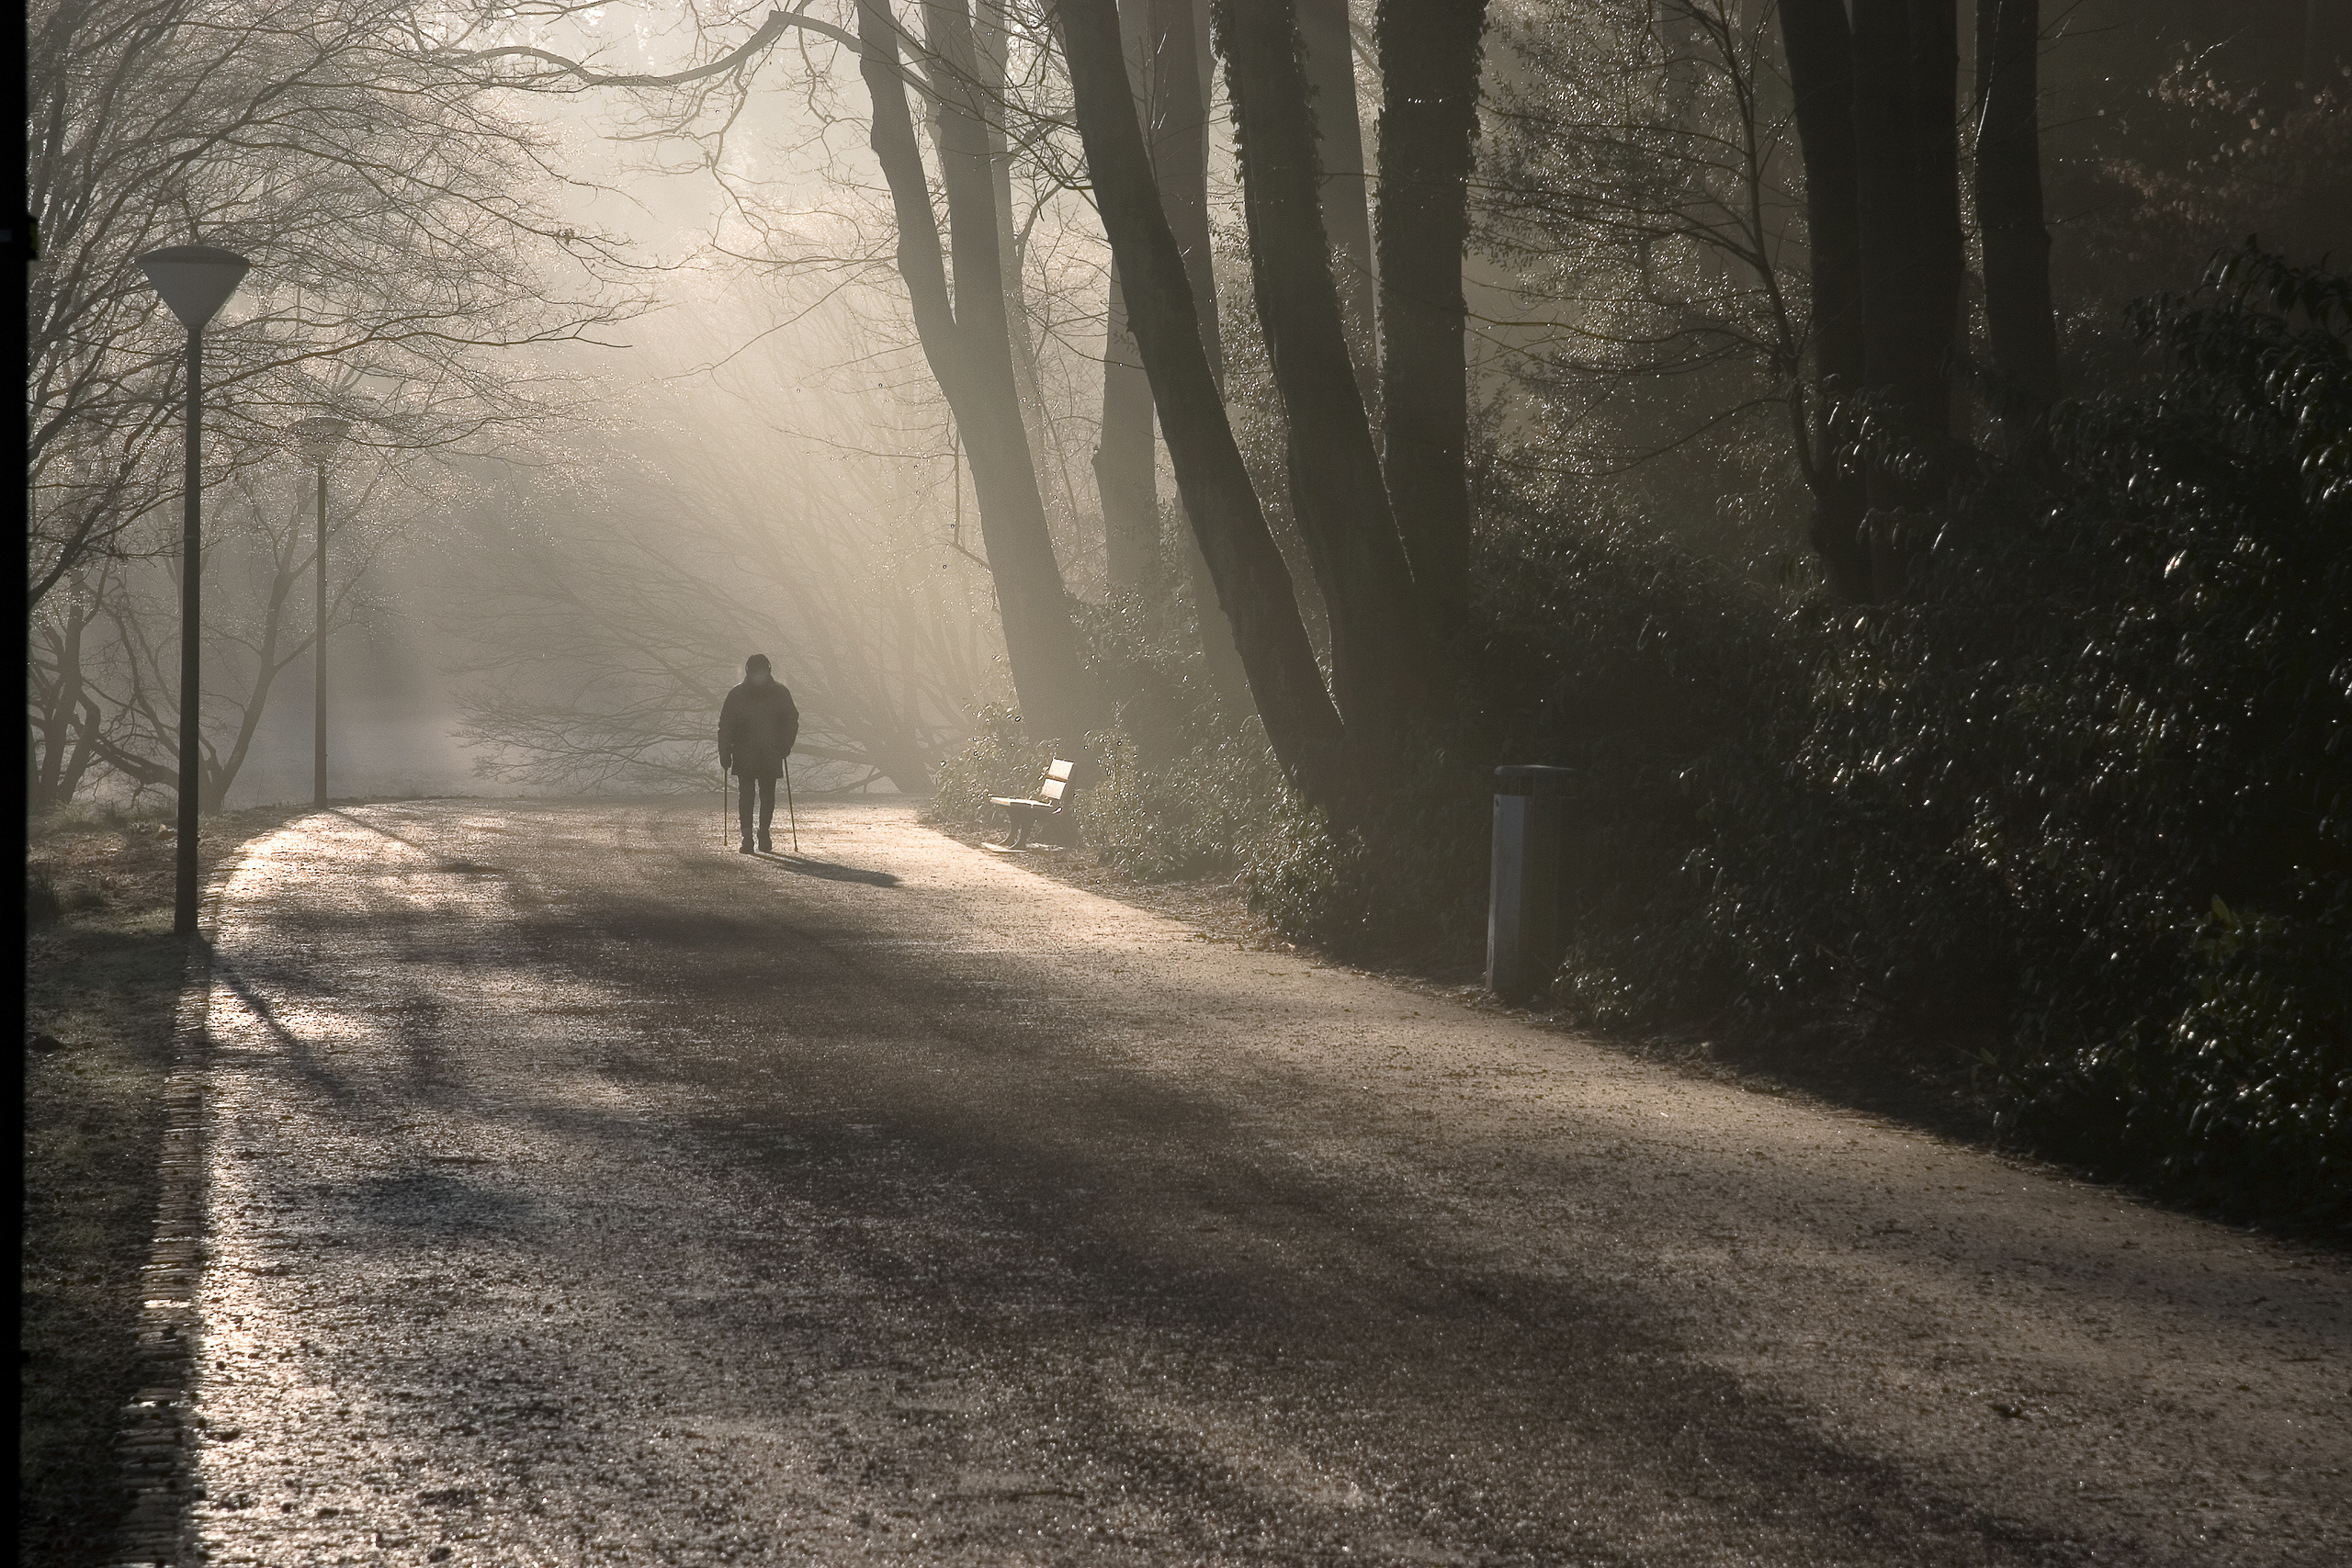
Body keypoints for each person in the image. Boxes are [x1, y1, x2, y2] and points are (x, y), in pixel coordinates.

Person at [717, 654, 799, 853]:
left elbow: (791, 721)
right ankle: (749, 836)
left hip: (764, 750)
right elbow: (725, 726)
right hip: (751, 751)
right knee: (748, 794)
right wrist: (725, 751)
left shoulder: (739, 694)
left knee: (765, 794)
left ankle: (762, 833)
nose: (758, 676)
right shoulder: (778, 692)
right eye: (756, 672)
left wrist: (785, 745)